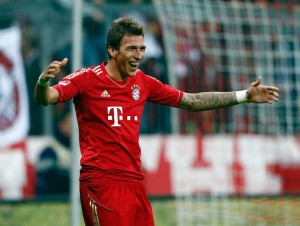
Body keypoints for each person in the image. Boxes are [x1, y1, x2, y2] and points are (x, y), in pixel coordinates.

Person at [34, 17, 279, 226]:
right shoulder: (87, 79)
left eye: (141, 48)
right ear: (112, 50)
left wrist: (244, 95)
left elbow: (191, 101)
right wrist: (43, 82)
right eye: (131, 48)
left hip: (134, 183)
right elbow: (48, 98)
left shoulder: (144, 82)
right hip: (101, 182)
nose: (138, 55)